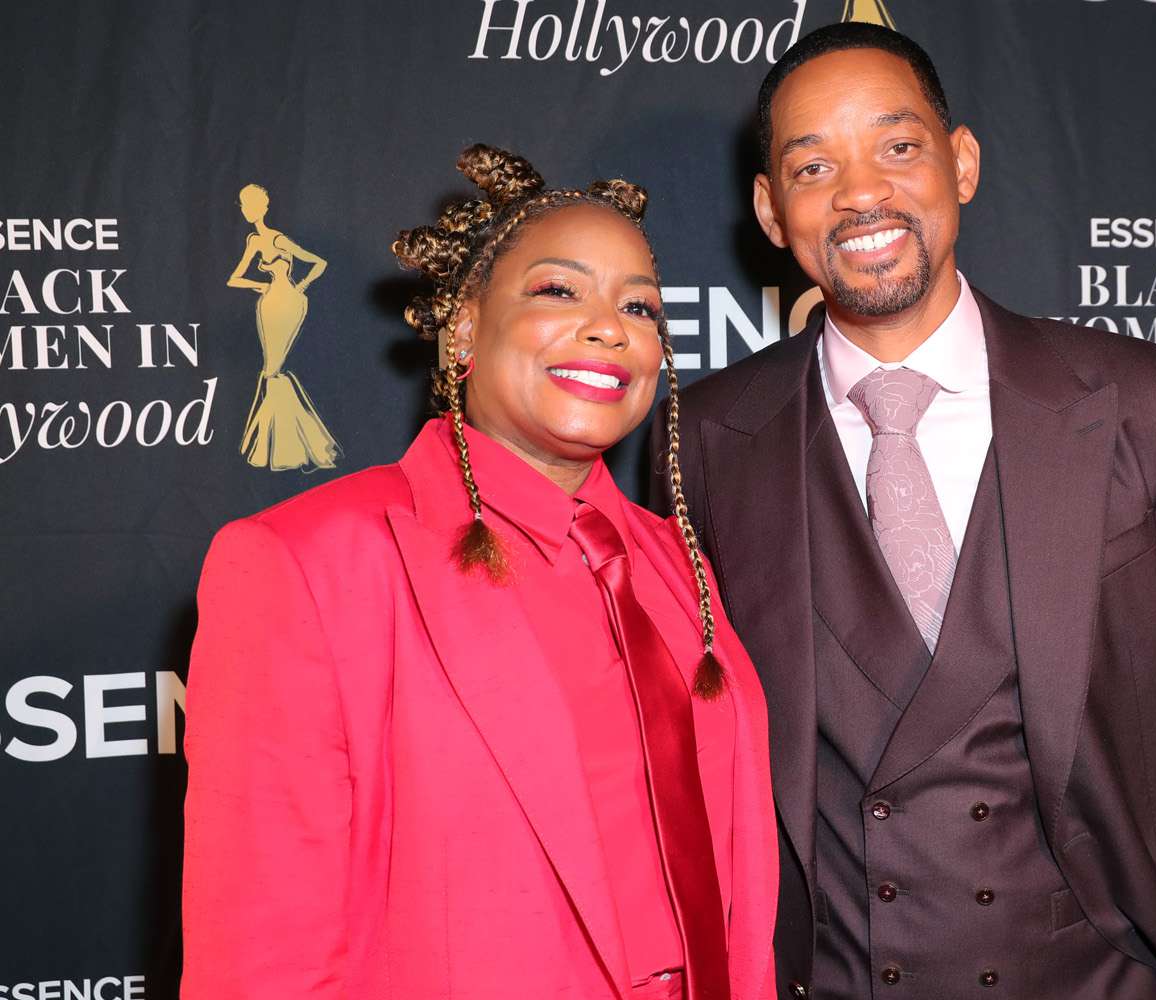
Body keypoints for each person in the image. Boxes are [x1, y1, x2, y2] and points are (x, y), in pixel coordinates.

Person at [654, 23, 1156, 1000]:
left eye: (897, 146)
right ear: (772, 211)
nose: (862, 192)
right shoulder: (697, 440)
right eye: (815, 164)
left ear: (961, 164)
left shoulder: (1138, 399)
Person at [184, 145, 777, 999]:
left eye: (640, 306)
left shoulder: (680, 565)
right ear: (464, 326)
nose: (610, 325)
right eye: (558, 290)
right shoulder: (308, 564)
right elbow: (262, 957)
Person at [227, 183, 341, 472]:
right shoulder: (254, 240)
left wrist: (300, 286)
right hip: (268, 303)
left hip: (288, 302)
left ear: (263, 207)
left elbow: (319, 262)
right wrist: (260, 284)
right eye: (243, 204)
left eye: (250, 204)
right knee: (270, 369)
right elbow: (234, 278)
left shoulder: (279, 241)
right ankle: (277, 441)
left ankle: (279, 442)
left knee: (273, 369)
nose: (246, 210)